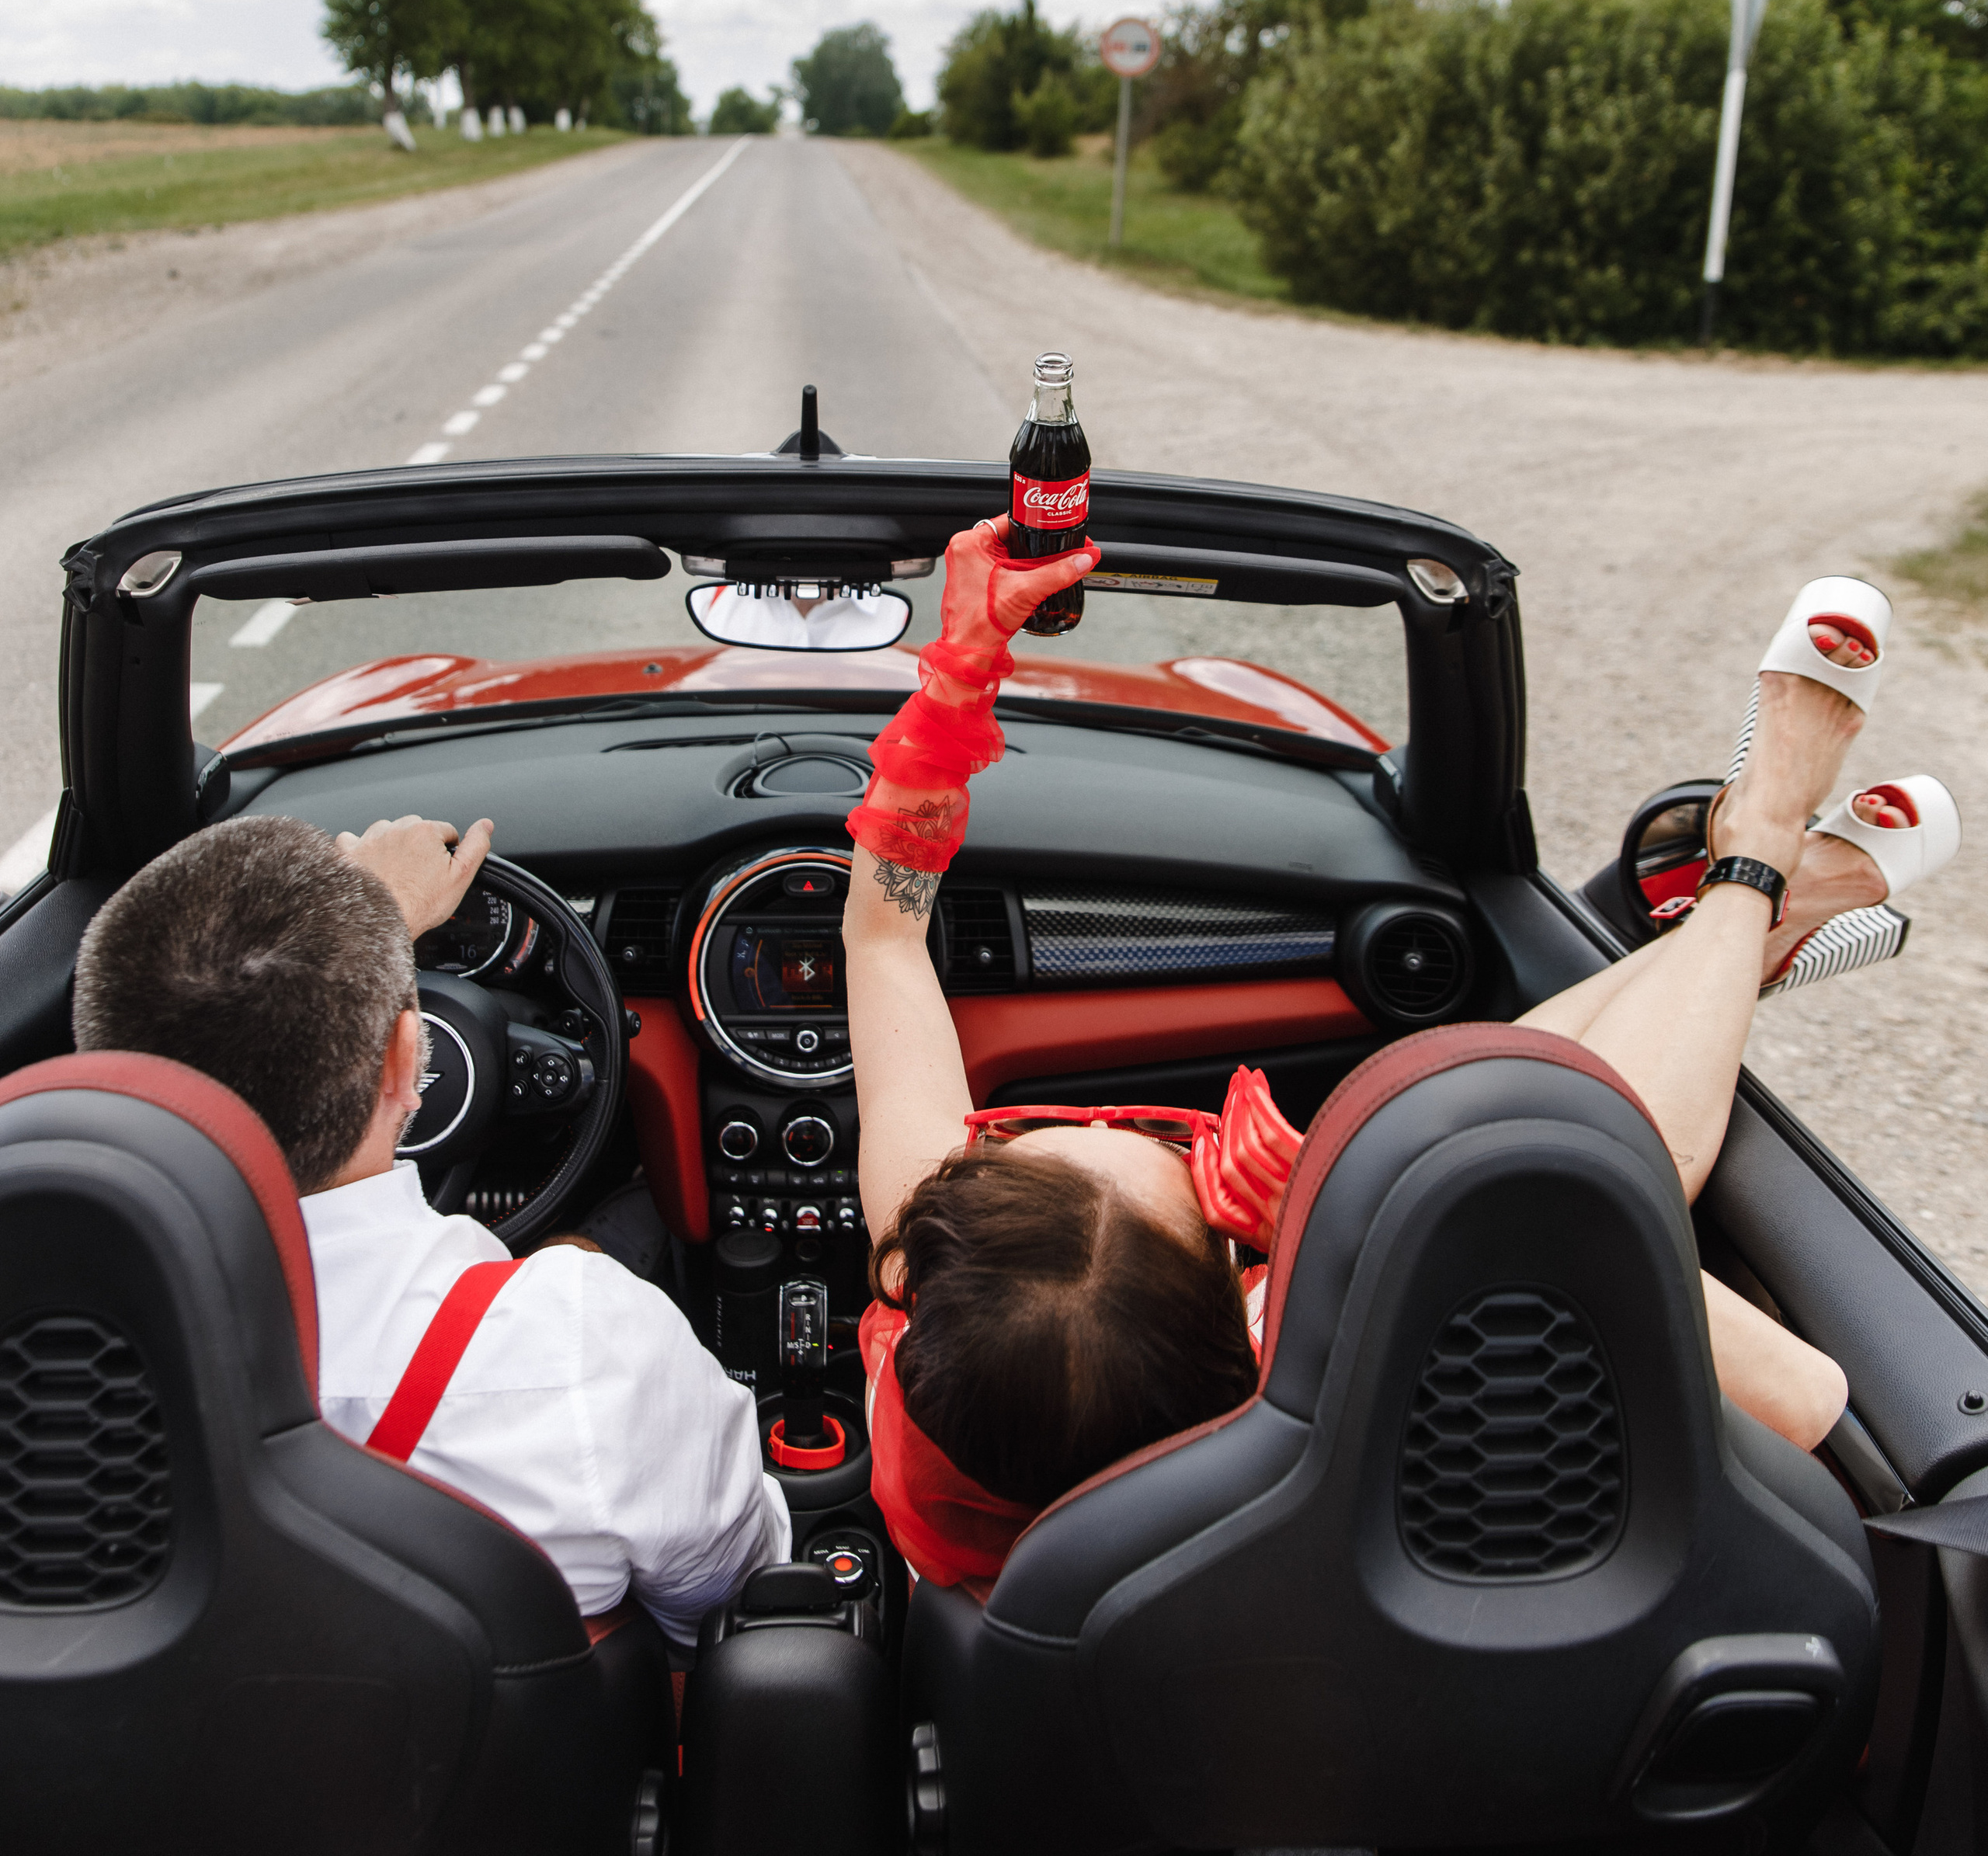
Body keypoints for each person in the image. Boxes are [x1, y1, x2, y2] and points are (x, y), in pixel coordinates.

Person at [842, 520, 1951, 1591]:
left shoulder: (952, 1326)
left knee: (1450, 1125)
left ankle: (1744, 928)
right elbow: (1807, 1399)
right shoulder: (1310, 1398)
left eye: (1011, 1149)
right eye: (1193, 1191)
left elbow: (886, 933)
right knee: (1522, 1149)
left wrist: (964, 665)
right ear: (1246, 1328)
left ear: (917, 1276)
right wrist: (1345, 1221)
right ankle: (1756, 854)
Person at [71, 808, 788, 1643]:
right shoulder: (585, 1346)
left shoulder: (56, 1360)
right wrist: (363, 936)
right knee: (607, 1236)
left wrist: (352, 938)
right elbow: (728, 1602)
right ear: (411, 1057)